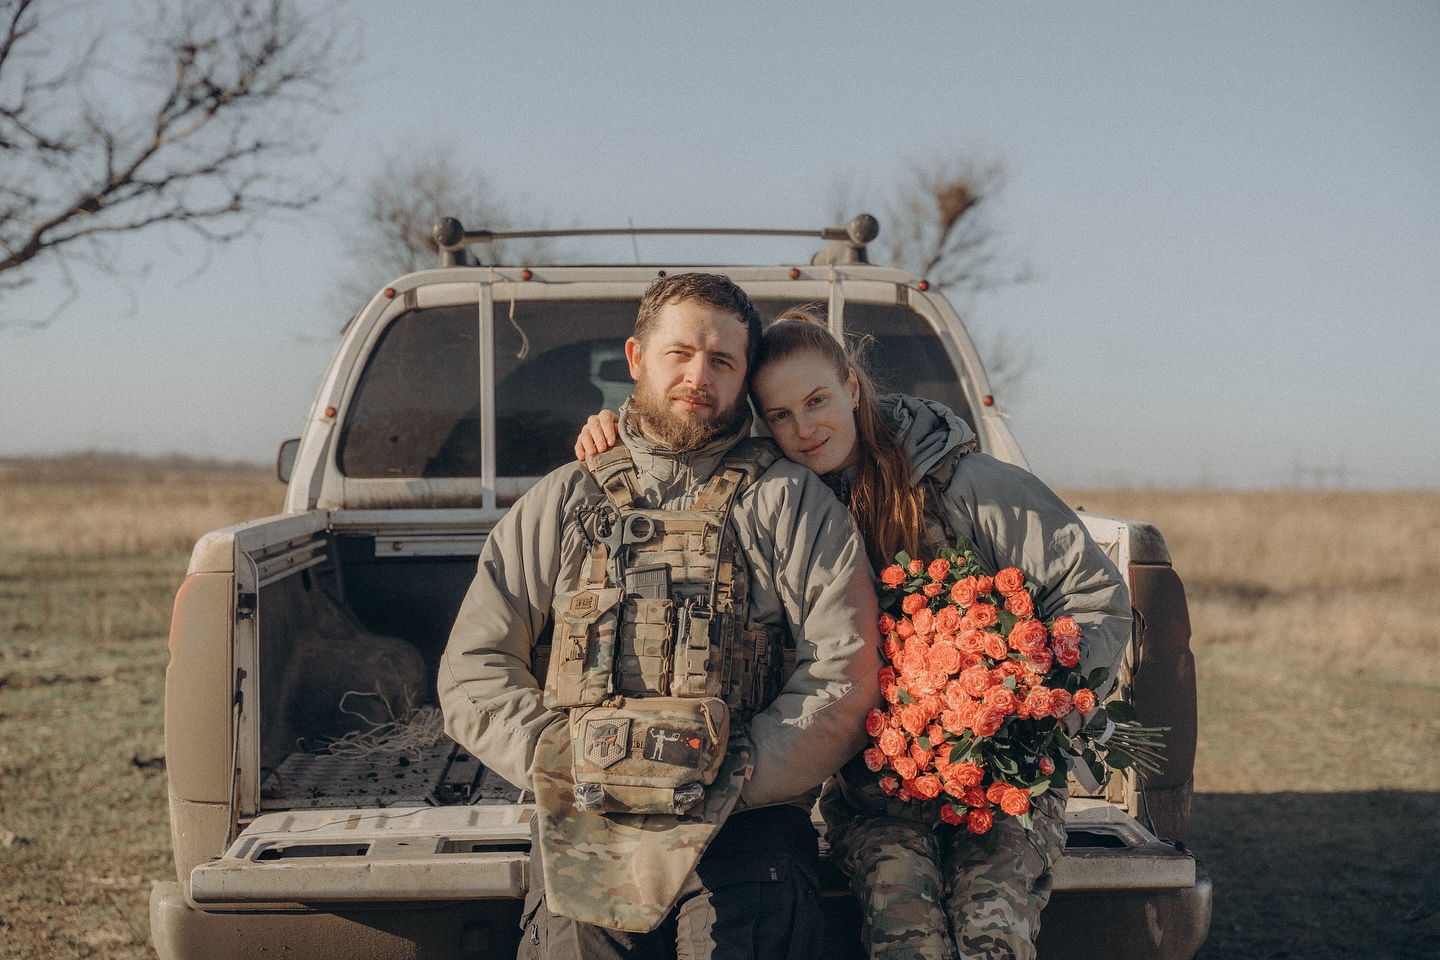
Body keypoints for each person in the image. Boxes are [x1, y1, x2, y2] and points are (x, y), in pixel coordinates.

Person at [575, 307, 1132, 960]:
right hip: (878, 795)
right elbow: (681, 481)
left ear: (852, 387)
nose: (804, 428)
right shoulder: (774, 504)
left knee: (991, 929)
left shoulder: (968, 485)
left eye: (816, 401)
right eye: (780, 415)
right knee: (907, 939)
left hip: (1004, 784)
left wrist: (1026, 706)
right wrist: (622, 438)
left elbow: (1095, 595)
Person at [438, 276, 882, 960]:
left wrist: (728, 775)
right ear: (637, 358)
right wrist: (567, 763)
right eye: (680, 353)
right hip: (587, 817)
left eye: (722, 362)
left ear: (744, 382)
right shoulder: (563, 500)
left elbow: (843, 675)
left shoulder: (792, 505)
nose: (698, 377)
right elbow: (475, 668)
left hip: (748, 822)